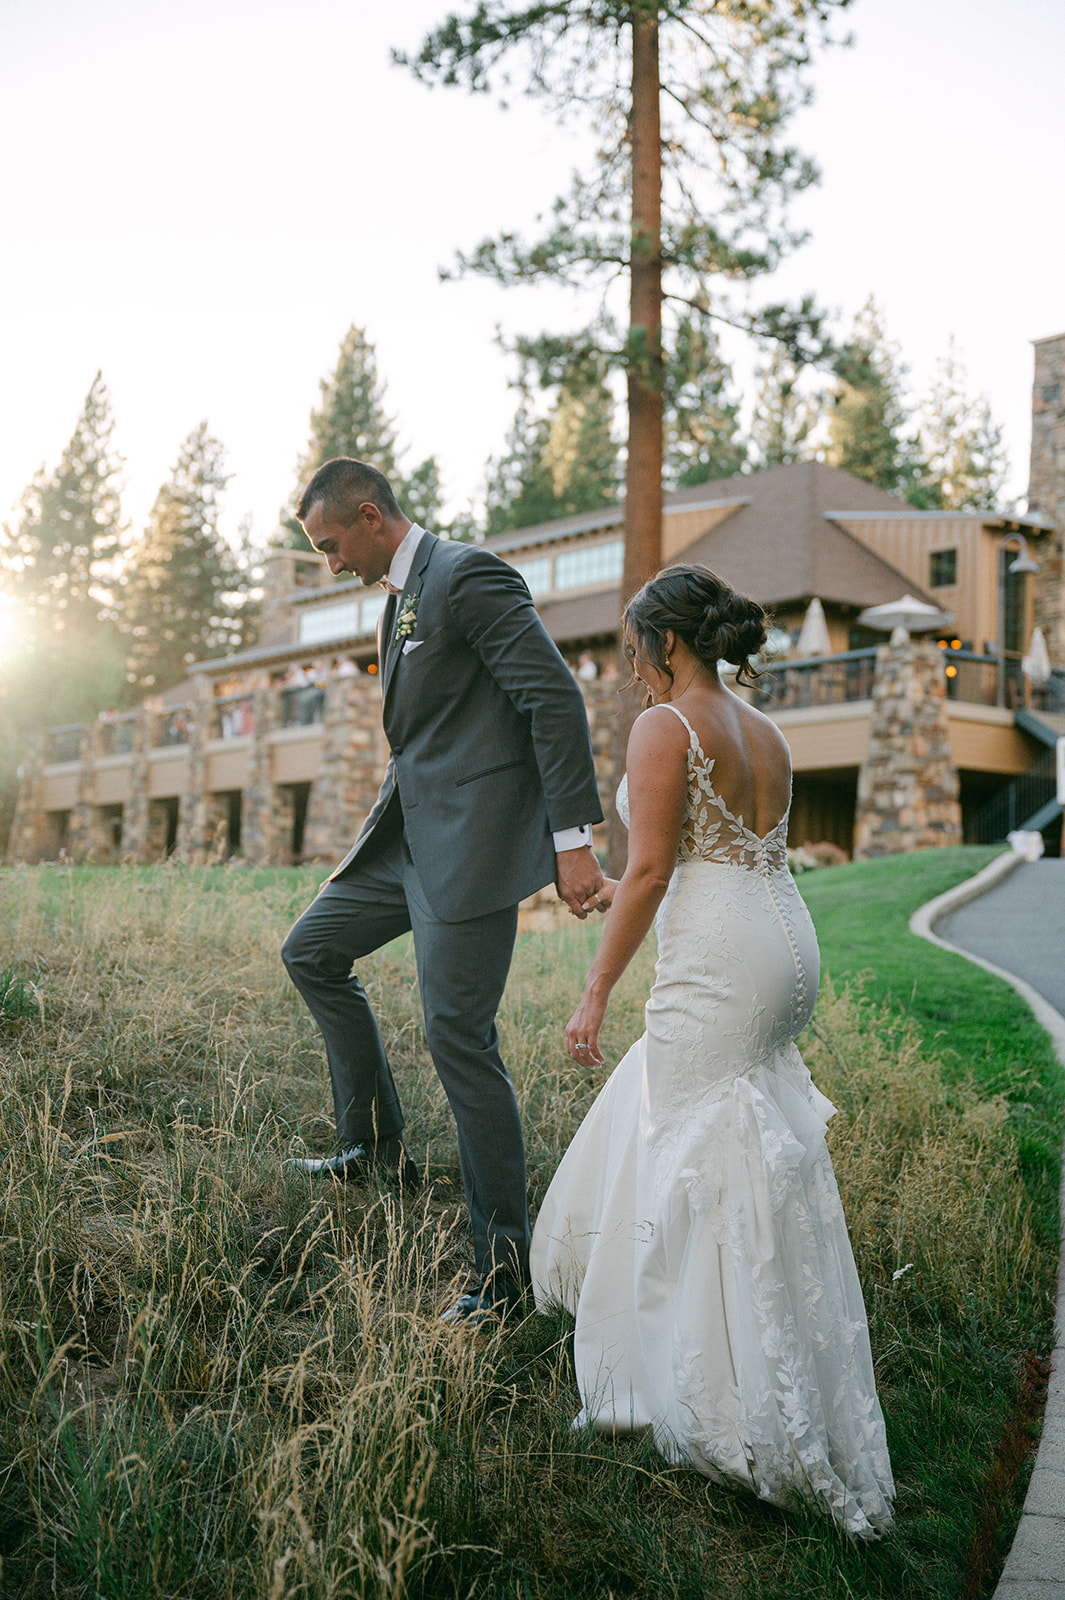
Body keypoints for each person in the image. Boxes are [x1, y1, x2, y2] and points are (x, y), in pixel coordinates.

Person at [530, 565, 894, 1538]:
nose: (630, 668)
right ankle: (758, 1340)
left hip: (722, 961)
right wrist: (623, 890)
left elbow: (652, 867)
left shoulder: (668, 725)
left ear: (669, 644)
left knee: (688, 1143)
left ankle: (715, 1382)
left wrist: (597, 986)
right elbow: (695, 857)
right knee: (738, 1130)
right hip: (783, 942)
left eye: (633, 648)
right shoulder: (763, 729)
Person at [282, 458, 605, 1325]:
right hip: (402, 841)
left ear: (368, 514)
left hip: (468, 850)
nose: (328, 563)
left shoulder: (466, 576)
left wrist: (570, 841)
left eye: (329, 544)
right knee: (310, 950)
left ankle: (503, 1278)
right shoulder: (401, 594)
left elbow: (553, 699)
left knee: (458, 1037)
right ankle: (373, 1146)